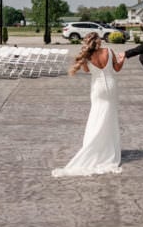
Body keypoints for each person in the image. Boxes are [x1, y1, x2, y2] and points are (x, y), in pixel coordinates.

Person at [52, 33, 126, 177]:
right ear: (99, 40)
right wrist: (122, 59)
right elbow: (117, 69)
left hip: (97, 88)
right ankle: (107, 148)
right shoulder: (109, 52)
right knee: (109, 118)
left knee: (96, 116)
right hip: (111, 87)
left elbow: (86, 70)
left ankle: (93, 145)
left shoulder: (87, 56)